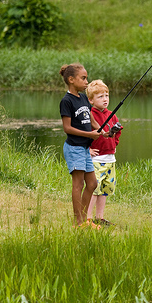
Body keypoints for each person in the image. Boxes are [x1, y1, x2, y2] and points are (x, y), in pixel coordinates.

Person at [59, 63, 107, 228]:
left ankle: (84, 219)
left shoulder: (84, 98)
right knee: (78, 185)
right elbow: (67, 128)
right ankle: (78, 222)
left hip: (85, 148)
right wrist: (89, 135)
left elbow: (91, 121)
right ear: (71, 80)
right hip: (74, 148)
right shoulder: (66, 101)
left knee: (92, 184)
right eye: (83, 78)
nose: (87, 81)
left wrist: (103, 131)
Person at [86, 79, 123, 226]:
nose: (105, 99)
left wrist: (114, 142)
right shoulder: (89, 115)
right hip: (96, 159)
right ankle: (87, 218)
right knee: (94, 189)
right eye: (100, 96)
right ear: (91, 100)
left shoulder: (112, 115)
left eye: (106, 95)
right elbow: (84, 134)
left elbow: (117, 134)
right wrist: (87, 149)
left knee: (105, 189)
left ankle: (99, 218)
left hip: (110, 159)